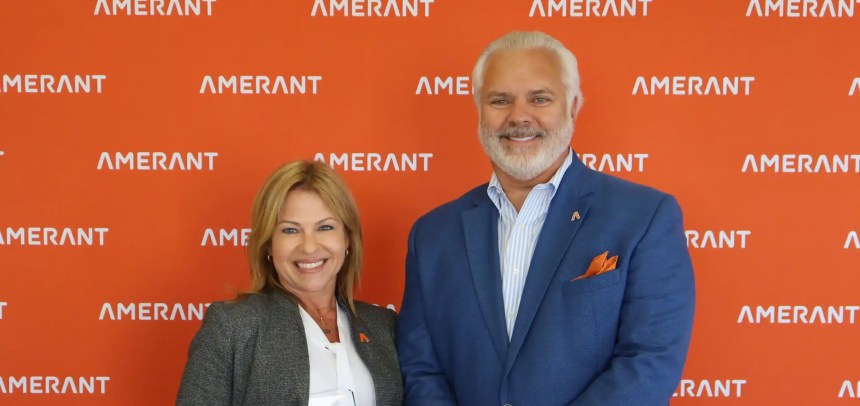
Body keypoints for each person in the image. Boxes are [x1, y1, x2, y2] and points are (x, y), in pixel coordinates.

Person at [397, 31, 695, 405]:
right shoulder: (432, 235)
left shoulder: (644, 217)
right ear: (479, 110)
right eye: (500, 100)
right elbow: (422, 369)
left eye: (540, 98)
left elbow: (650, 362)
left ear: (573, 107)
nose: (519, 116)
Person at [178, 161, 402, 405]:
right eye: (290, 230)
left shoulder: (384, 327)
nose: (309, 247)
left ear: (347, 239)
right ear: (268, 245)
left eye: (325, 227)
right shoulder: (233, 327)